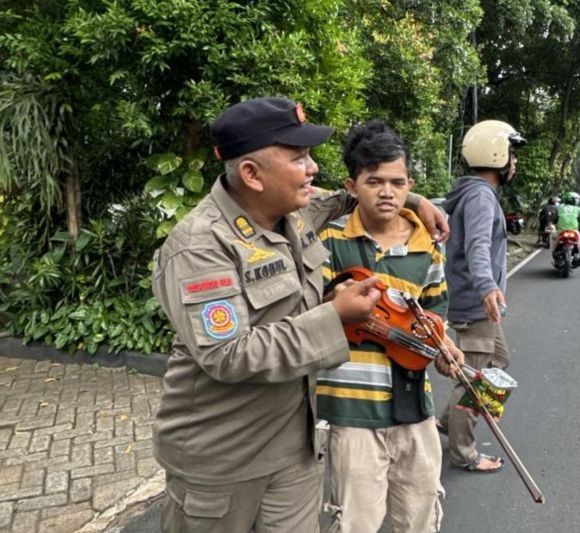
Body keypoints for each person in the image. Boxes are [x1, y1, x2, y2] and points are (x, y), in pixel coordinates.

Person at [150, 97, 449, 532]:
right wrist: (336, 317)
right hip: (223, 459)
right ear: (252, 175)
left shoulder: (299, 212)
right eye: (298, 157)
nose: (312, 169)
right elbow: (228, 355)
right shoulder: (200, 245)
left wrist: (418, 201)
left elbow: (361, 192)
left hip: (294, 446)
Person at [316, 120, 464, 533]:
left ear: (409, 185)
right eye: (373, 181)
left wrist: (445, 351)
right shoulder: (330, 240)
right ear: (351, 185)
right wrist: (339, 306)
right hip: (352, 409)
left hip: (415, 407)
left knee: (420, 515)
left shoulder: (426, 247)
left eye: (397, 183)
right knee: (356, 522)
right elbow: (314, 311)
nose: (386, 192)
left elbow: (435, 318)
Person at [435, 119, 526, 473]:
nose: (514, 162)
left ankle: (445, 422)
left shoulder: (474, 193)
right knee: (476, 381)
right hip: (474, 304)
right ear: (497, 154)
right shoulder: (480, 197)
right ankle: (464, 452)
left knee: (497, 363)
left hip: (475, 302)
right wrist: (488, 287)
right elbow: (476, 246)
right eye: (512, 154)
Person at [550, 191, 580, 265]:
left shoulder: (559, 208)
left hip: (561, 231)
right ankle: (577, 252)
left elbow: (554, 218)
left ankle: (554, 252)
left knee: (552, 237)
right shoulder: (578, 209)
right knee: (579, 239)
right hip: (574, 231)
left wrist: (553, 222)